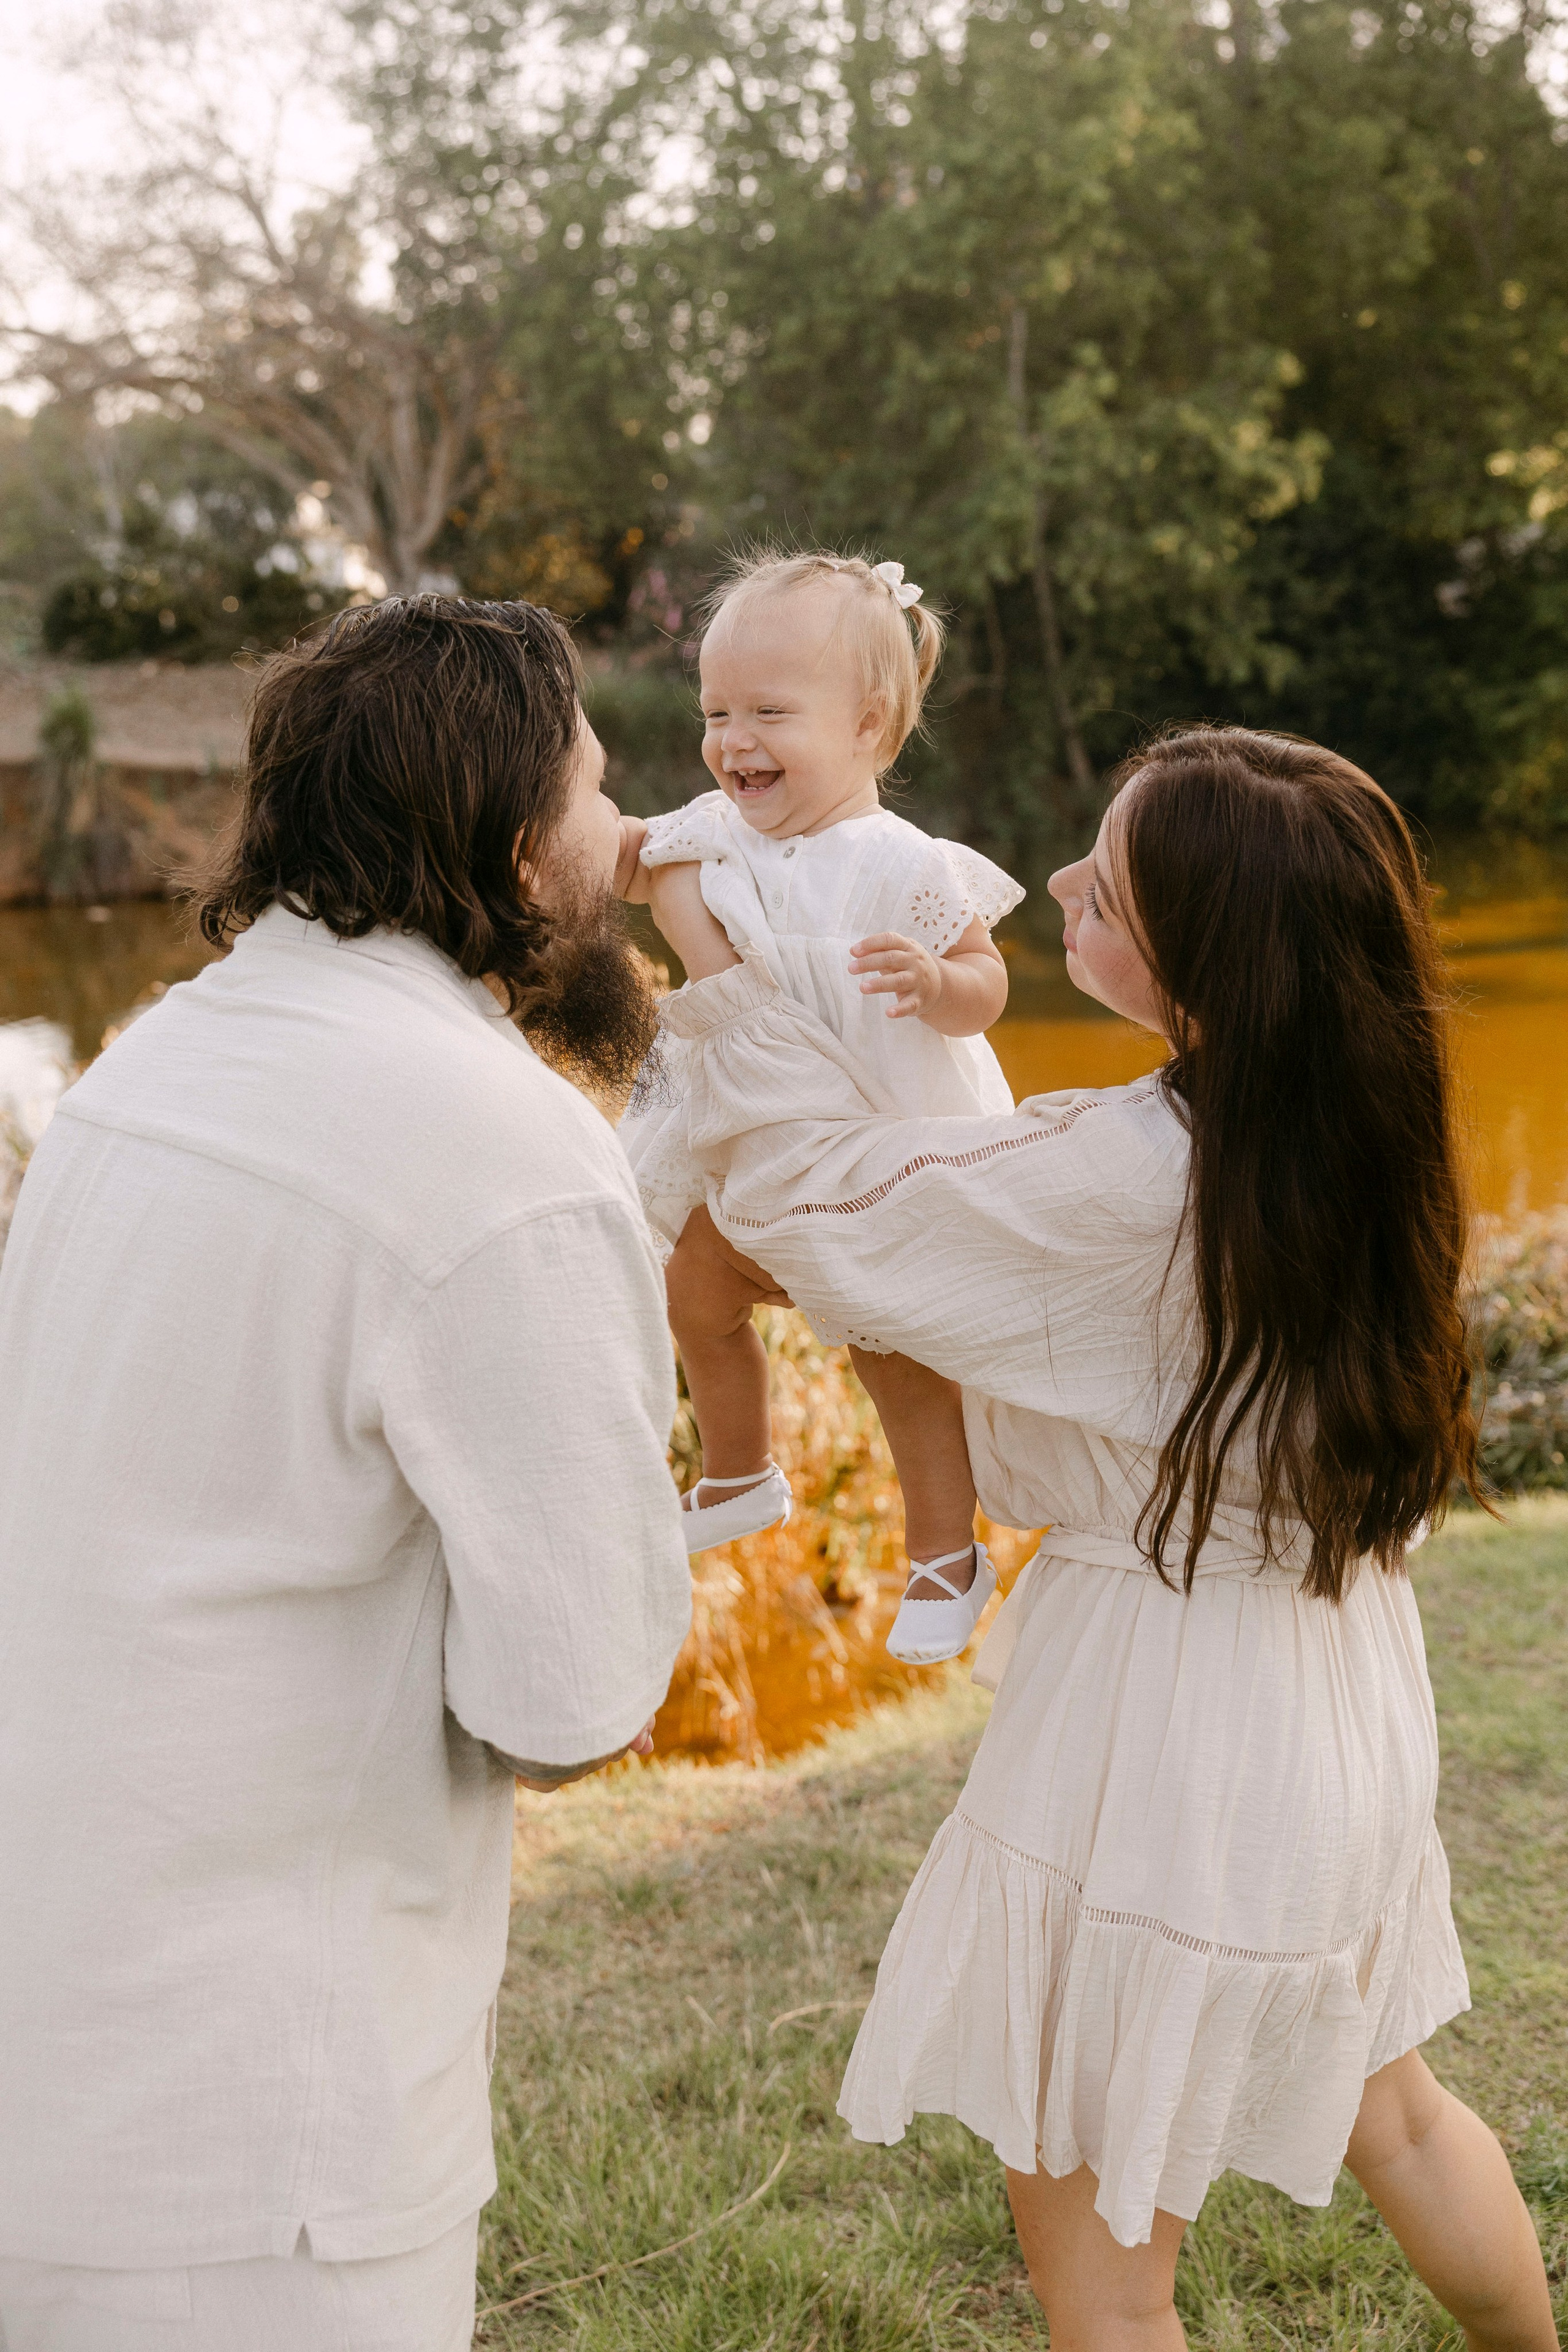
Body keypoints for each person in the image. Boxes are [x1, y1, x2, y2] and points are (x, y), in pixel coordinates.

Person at [655, 727, 1558, 2351]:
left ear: (1205, 963)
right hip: (1334, 1680)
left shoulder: (1128, 1177)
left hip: (1166, 1736)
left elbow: (818, 1206)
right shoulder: (1360, 1130)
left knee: (1101, 2256)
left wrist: (700, 938)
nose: (1061, 884)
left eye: (1110, 889)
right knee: (1400, 2112)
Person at [0, 597, 692, 2352]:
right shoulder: (507, 1145)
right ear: (518, 841)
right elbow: (575, 1695)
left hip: (53, 2043)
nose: (629, 833)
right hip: (260, 2144)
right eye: (601, 788)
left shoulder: (148, 1063)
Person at [616, 548, 1024, 1664]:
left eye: (768, 711)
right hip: (754, 1136)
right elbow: (622, 856)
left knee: (891, 1350)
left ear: (869, 725)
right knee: (691, 1290)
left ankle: (947, 1549)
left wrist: (939, 986)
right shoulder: (712, 831)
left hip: (875, 1138)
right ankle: (741, 1469)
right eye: (716, 711)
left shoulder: (903, 865)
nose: (732, 739)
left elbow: (988, 985)